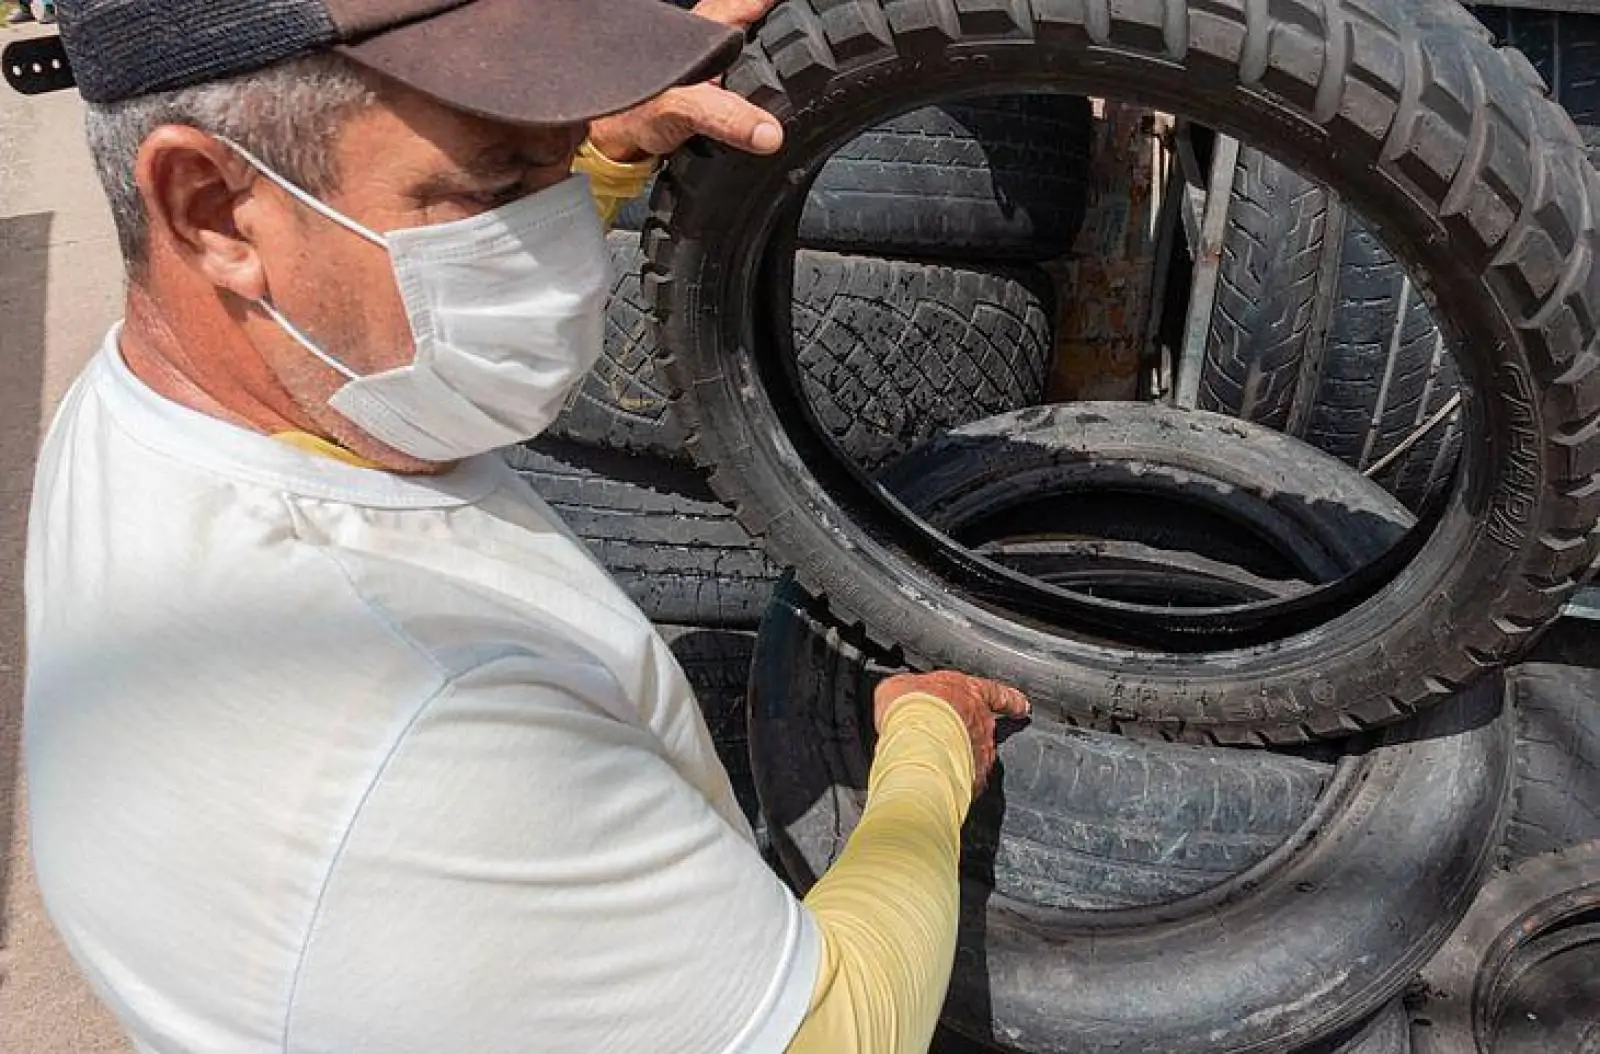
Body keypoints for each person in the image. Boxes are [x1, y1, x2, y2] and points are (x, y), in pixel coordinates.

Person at [23, 2, 1030, 1053]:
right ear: (213, 210)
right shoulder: (412, 751)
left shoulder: (168, 414)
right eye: (496, 188)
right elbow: (836, 1031)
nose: (569, 264)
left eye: (554, 164)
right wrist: (927, 755)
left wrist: (584, 154)